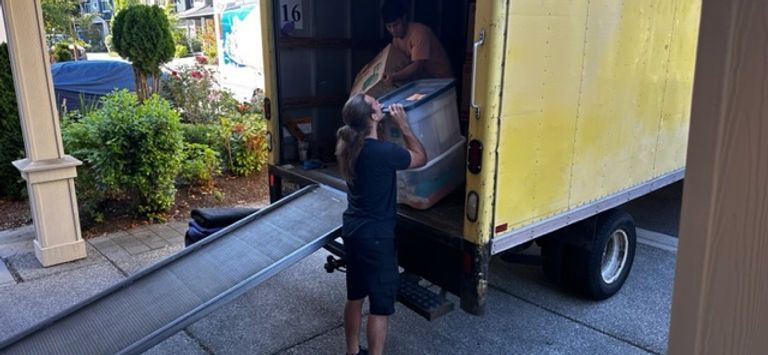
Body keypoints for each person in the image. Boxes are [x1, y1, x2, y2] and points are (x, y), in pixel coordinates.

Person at [335, 94, 426, 355]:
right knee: (380, 306)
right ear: (374, 117)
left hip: (353, 232)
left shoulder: (347, 146)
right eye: (375, 102)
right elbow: (420, 157)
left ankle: (352, 352)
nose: (380, 102)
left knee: (355, 296)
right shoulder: (384, 153)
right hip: (376, 238)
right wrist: (403, 125)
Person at [381, 0, 453, 83]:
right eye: (389, 26)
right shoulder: (396, 40)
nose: (393, 30)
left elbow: (418, 65)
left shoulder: (419, 33)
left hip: (441, 80)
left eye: (396, 25)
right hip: (422, 81)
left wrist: (394, 77)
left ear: (404, 18)